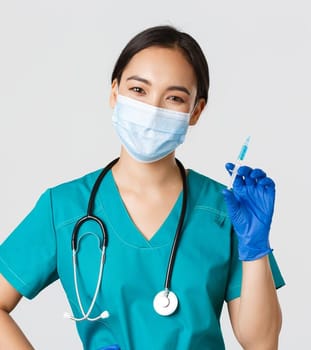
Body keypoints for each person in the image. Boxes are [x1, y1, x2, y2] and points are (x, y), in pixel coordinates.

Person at [0, 25, 285, 349]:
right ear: (114, 92)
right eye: (138, 90)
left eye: (174, 97)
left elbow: (261, 342)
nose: (153, 109)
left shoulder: (225, 211)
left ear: (196, 111)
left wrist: (256, 249)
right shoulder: (64, 208)